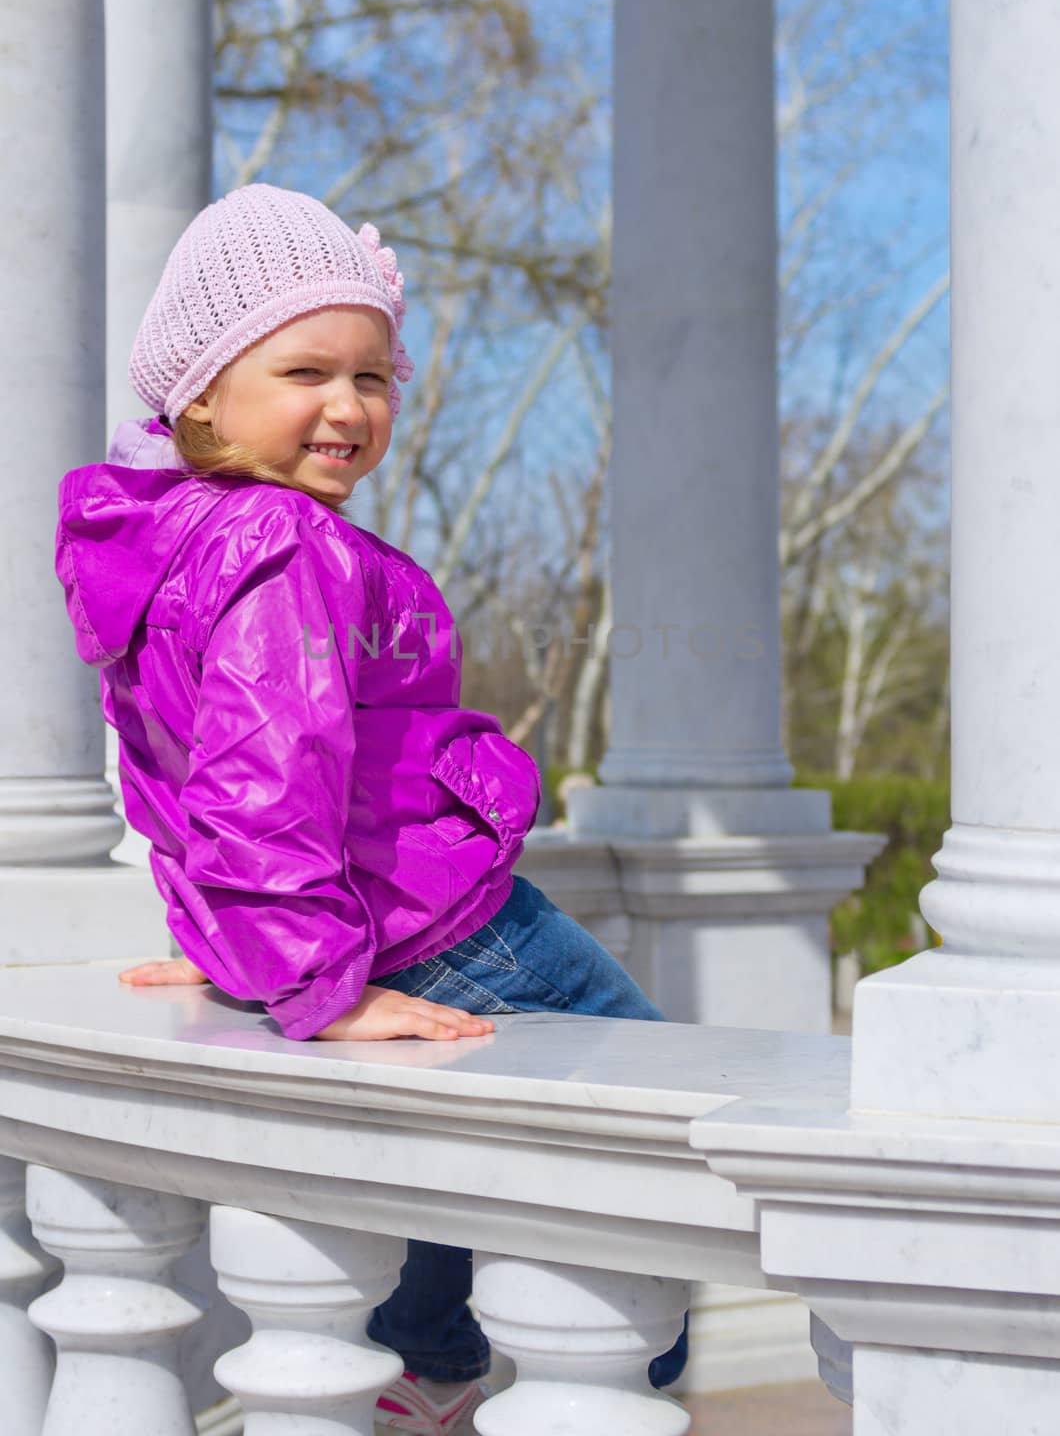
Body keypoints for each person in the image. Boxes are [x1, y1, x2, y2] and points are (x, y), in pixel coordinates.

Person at [55, 183, 688, 1432]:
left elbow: (169, 759)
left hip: (347, 921)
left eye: (375, 376)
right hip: (448, 926)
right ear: (198, 392)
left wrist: (222, 939)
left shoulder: (164, 539)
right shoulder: (282, 546)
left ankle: (429, 1362)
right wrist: (313, 978)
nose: (348, 406)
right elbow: (264, 769)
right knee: (661, 1120)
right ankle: (609, 1374)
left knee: (460, 1157)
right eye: (305, 370)